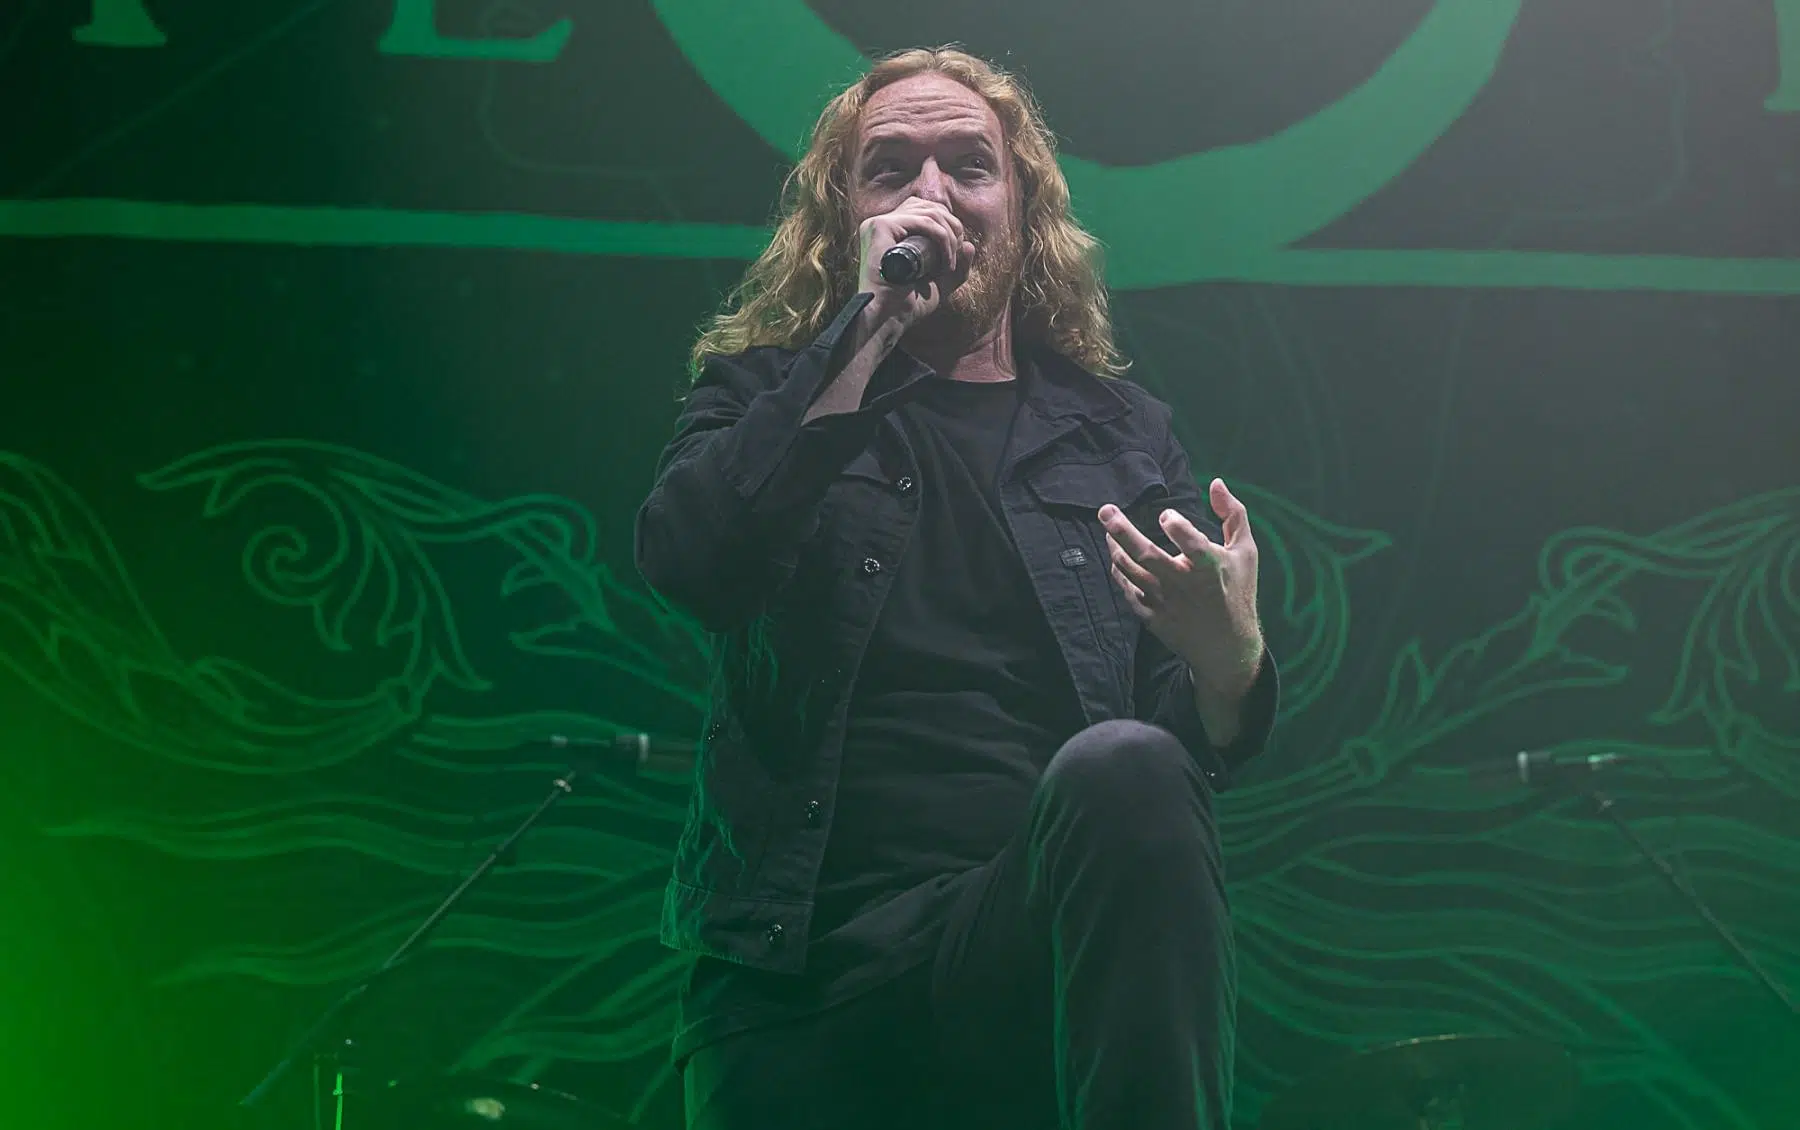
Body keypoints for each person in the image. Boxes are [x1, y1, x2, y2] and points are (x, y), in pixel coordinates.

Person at [634, 46, 1279, 1130]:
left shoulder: (1120, 436)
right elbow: (693, 562)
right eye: (890, 169)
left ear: (1021, 212)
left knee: (1127, 764)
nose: (930, 195)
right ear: (844, 220)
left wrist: (1230, 663)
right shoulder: (763, 396)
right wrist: (867, 329)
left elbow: (1164, 782)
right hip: (802, 981)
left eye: (968, 166)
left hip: (1026, 952)